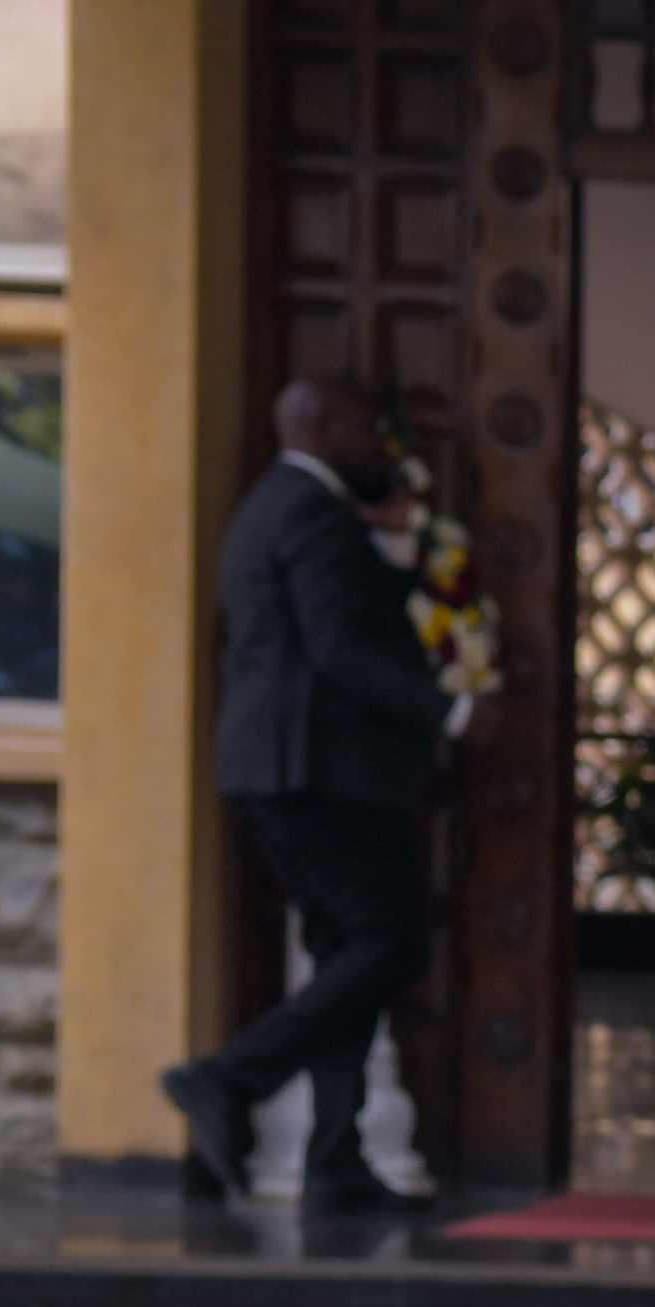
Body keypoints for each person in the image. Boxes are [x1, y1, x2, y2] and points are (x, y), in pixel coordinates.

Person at [163, 377, 453, 1214]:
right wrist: (452, 710)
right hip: (322, 772)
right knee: (391, 945)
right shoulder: (314, 512)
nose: (380, 446)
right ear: (321, 424)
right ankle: (227, 1076)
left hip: (282, 770)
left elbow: (339, 620)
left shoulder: (277, 506)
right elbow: (340, 649)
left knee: (345, 953)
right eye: (367, 429)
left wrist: (390, 549)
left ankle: (335, 1157)